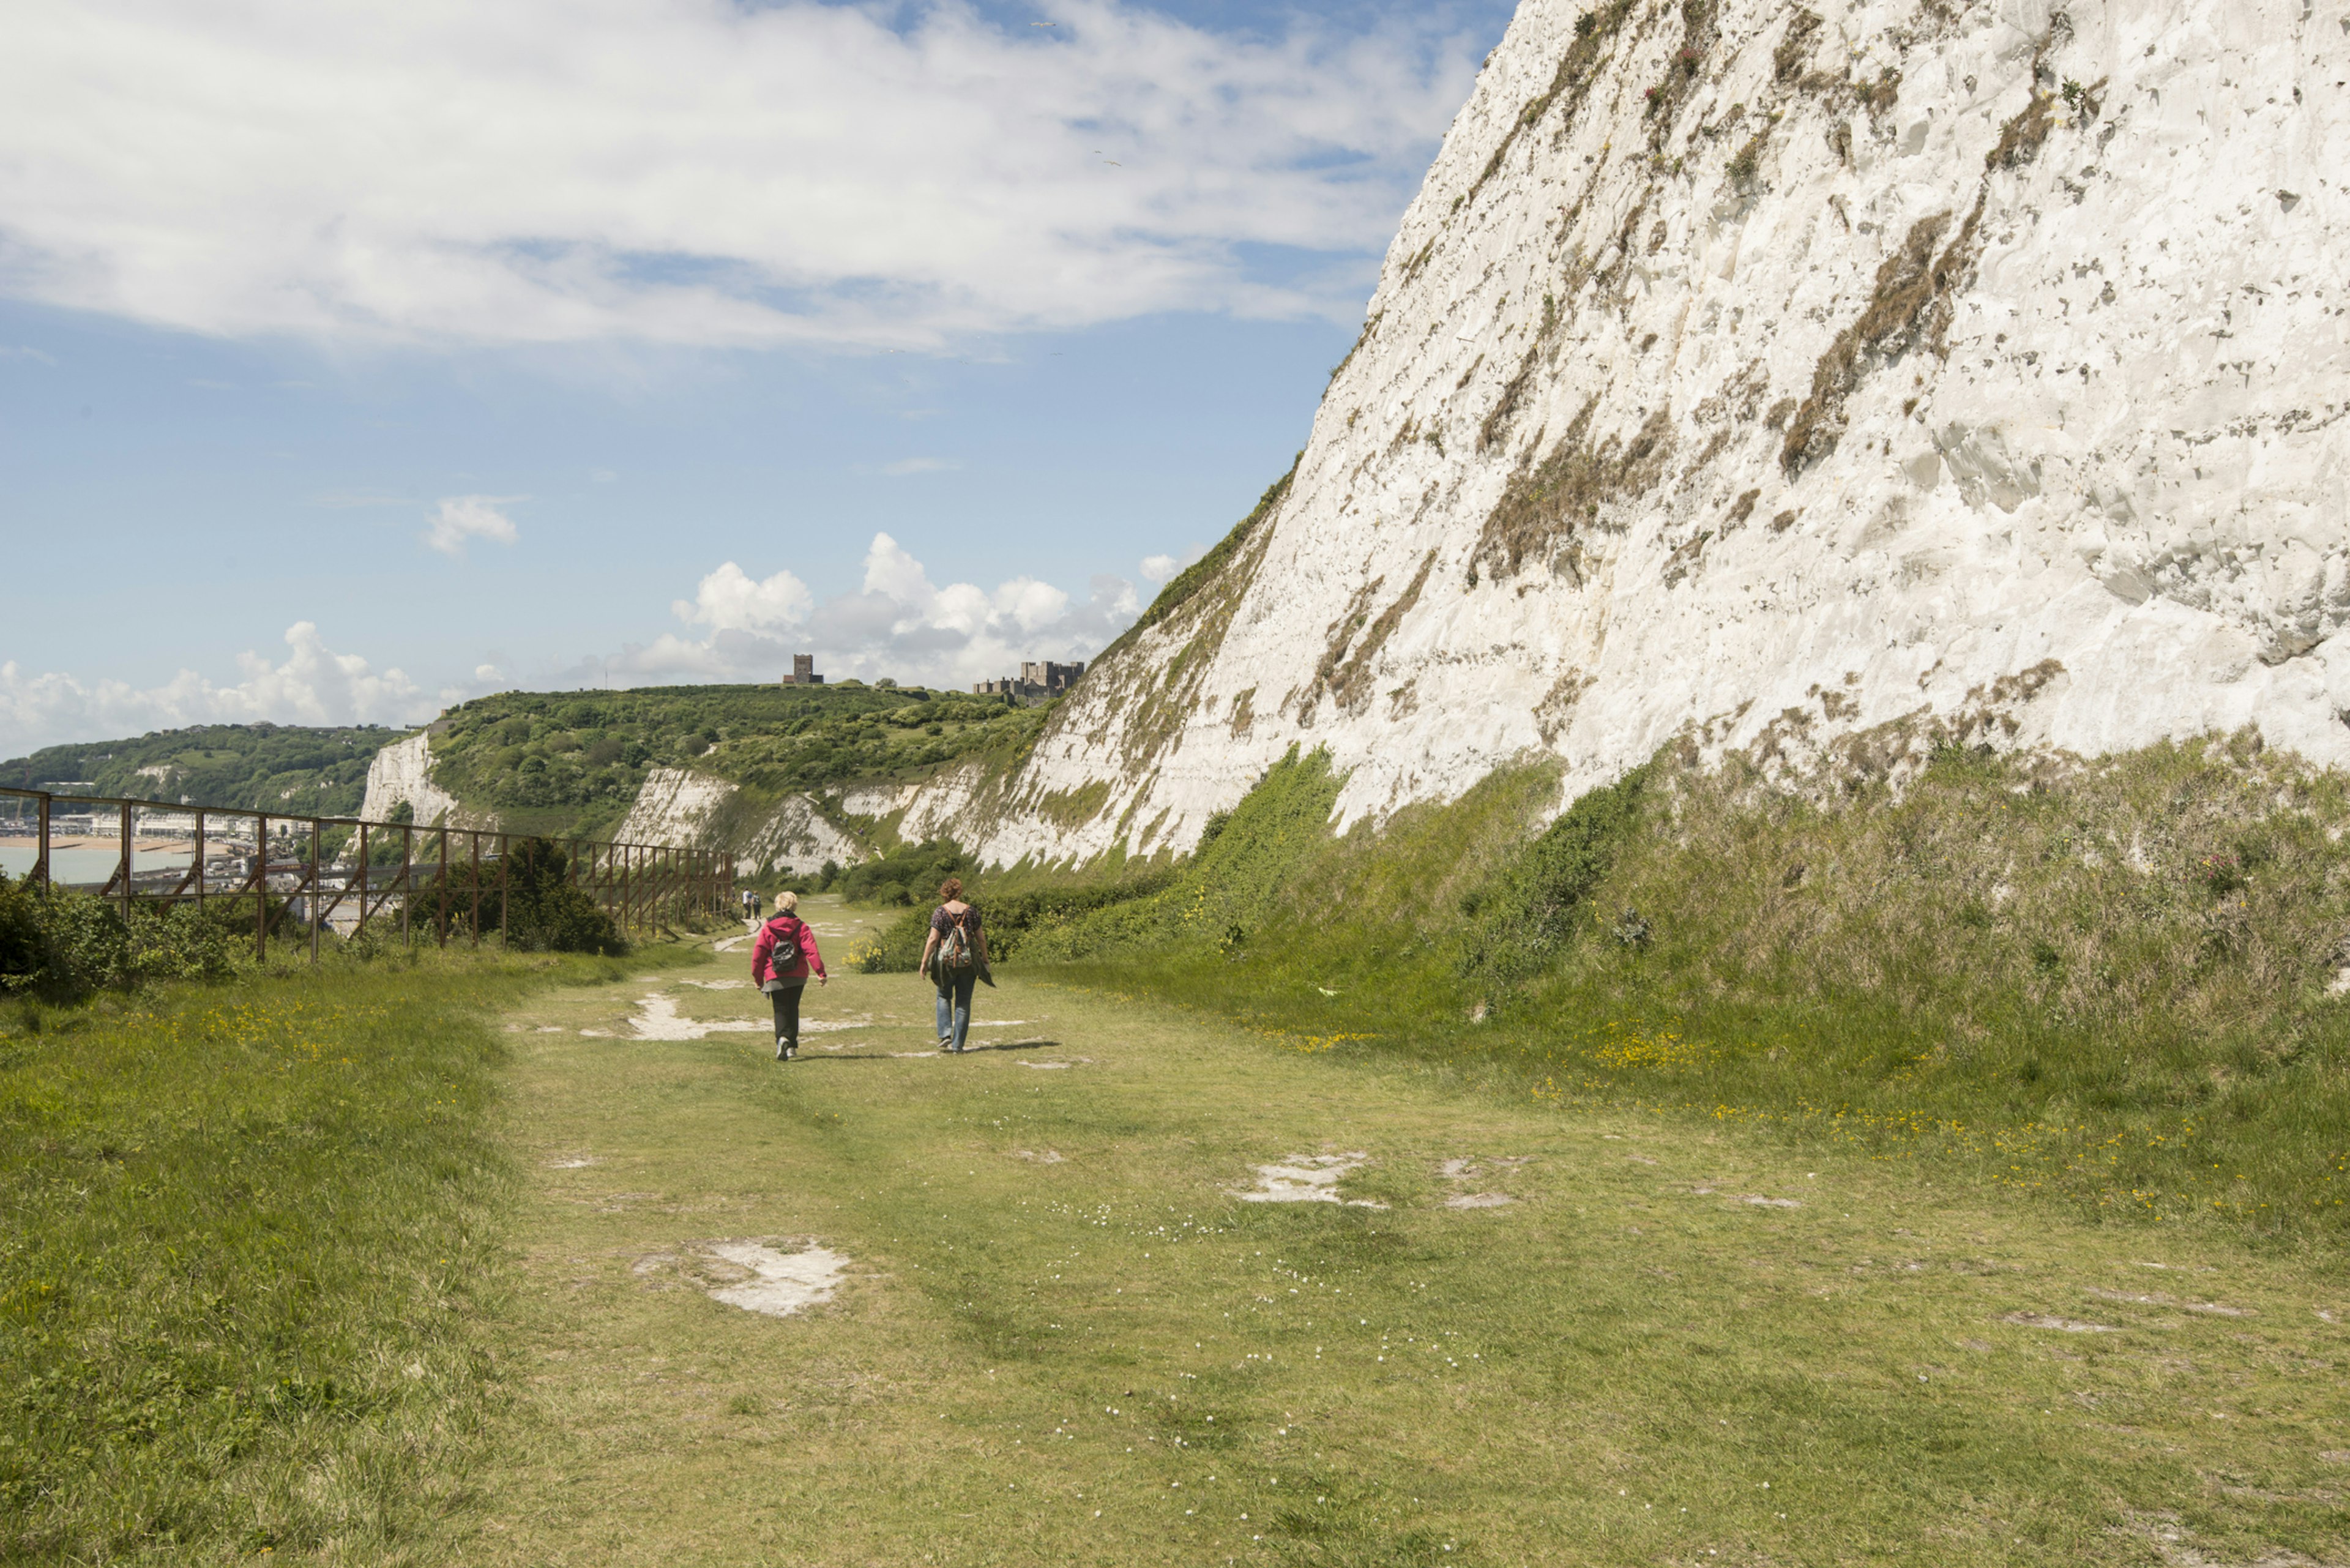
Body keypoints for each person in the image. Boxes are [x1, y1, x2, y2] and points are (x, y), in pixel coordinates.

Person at [751, 890, 826, 1061]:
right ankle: (791, 1045)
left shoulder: (768, 927)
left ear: (778, 905)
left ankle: (782, 1039)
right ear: (794, 906)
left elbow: (758, 955)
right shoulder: (801, 927)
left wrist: (758, 979)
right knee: (793, 1008)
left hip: (774, 974)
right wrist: (820, 973)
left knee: (780, 1009)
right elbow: (811, 951)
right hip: (798, 975)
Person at [917, 876, 989, 1053]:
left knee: (943, 996)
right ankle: (958, 1046)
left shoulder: (940, 912)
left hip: (946, 961)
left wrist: (924, 962)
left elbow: (933, 939)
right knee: (963, 1003)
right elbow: (981, 939)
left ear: (944, 893)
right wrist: (985, 959)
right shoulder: (971, 911)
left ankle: (945, 1034)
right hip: (968, 962)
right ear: (960, 892)